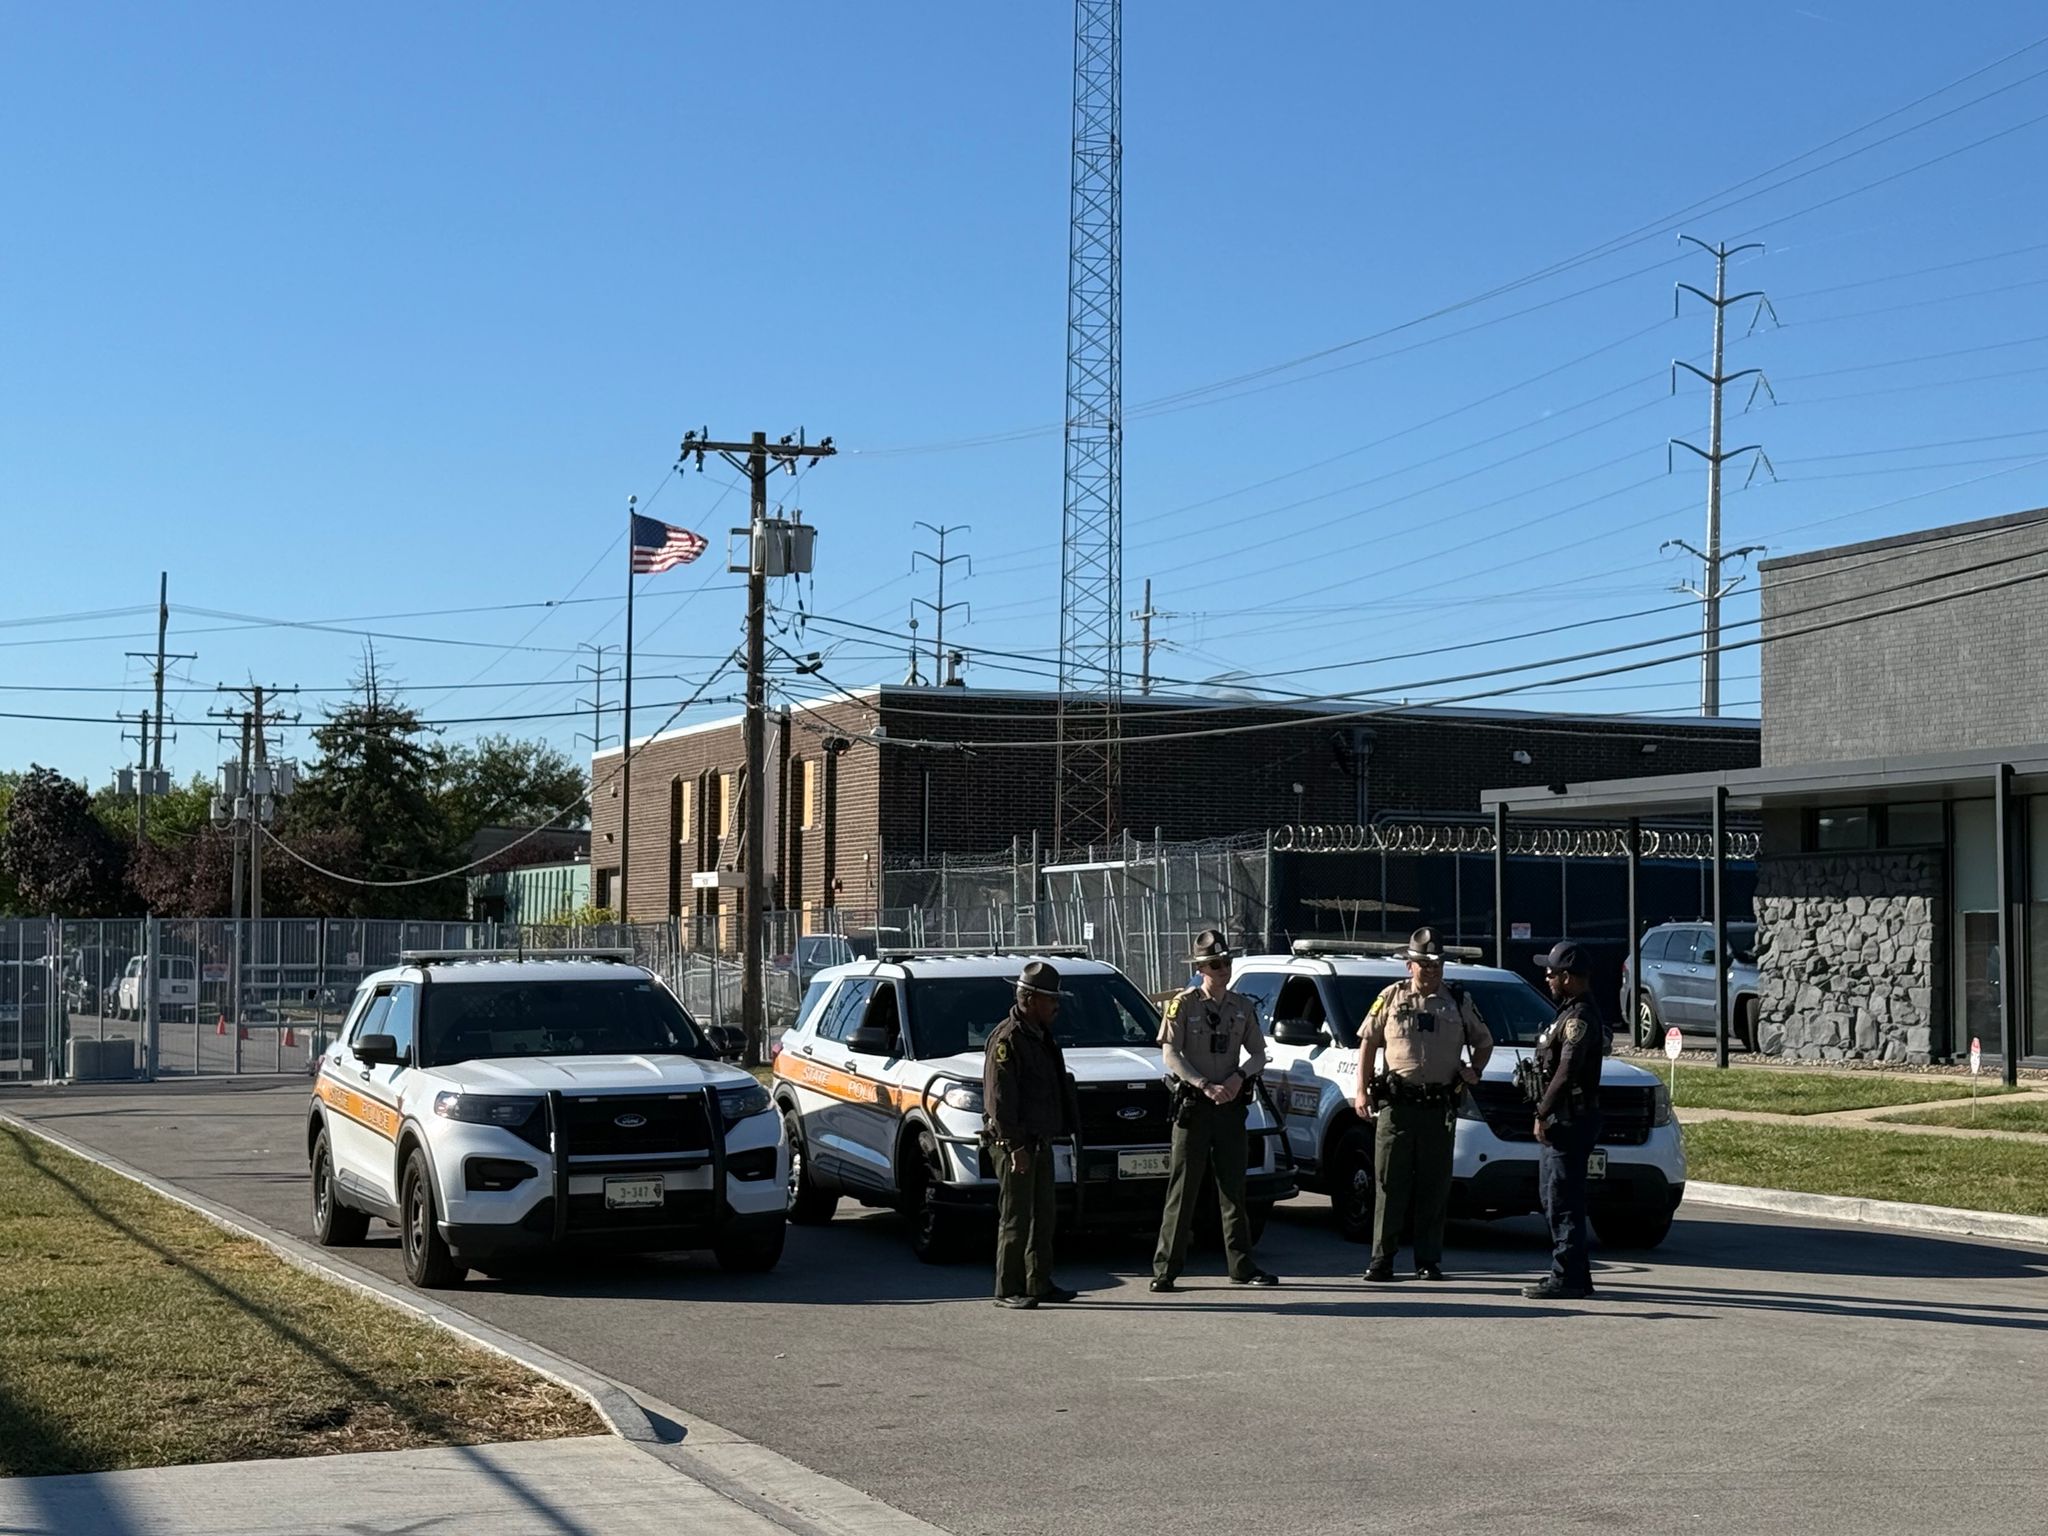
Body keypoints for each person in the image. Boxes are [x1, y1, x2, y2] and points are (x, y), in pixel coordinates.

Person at [1353, 926, 1494, 1283]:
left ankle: (1428, 1261)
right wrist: (1362, 1091)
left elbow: (1484, 1042)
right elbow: (1367, 1043)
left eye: (1436, 965)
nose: (1430, 971)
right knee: (1389, 1183)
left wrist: (1474, 1070)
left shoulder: (1458, 1001)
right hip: (1397, 1106)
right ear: (1409, 965)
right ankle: (1381, 1260)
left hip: (1438, 1108)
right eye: (1423, 964)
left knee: (1434, 1186)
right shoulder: (1390, 997)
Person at [1150, 930, 1279, 1292]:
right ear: (1202, 968)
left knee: (1233, 1190)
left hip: (1230, 1107)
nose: (1224, 969)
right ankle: (1166, 1269)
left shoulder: (1242, 1006)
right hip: (1195, 1107)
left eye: (1227, 962)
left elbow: (1258, 1054)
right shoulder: (1184, 1004)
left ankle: (1242, 1265)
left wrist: (1239, 1077)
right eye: (1216, 964)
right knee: (1184, 1189)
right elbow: (1170, 1053)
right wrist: (1203, 1084)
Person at [983, 960, 1082, 1310]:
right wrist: (1014, 1147)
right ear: (1028, 999)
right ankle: (1008, 1287)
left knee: (1044, 1215)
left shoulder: (1041, 1036)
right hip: (1016, 1144)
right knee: (1016, 1218)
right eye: (1050, 999)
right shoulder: (1007, 1040)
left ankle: (1038, 1281)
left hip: (1040, 1140)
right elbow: (1000, 1101)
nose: (1056, 1006)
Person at [1523, 940, 1609, 1301]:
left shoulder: (1579, 1019)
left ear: (1570, 977)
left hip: (1569, 1120)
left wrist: (1542, 1111)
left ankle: (1567, 1277)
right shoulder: (1569, 1012)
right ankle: (1576, 1275)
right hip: (1566, 1119)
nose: (1547, 977)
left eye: (1553, 972)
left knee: (1562, 1199)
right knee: (1554, 1196)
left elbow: (1567, 1069)